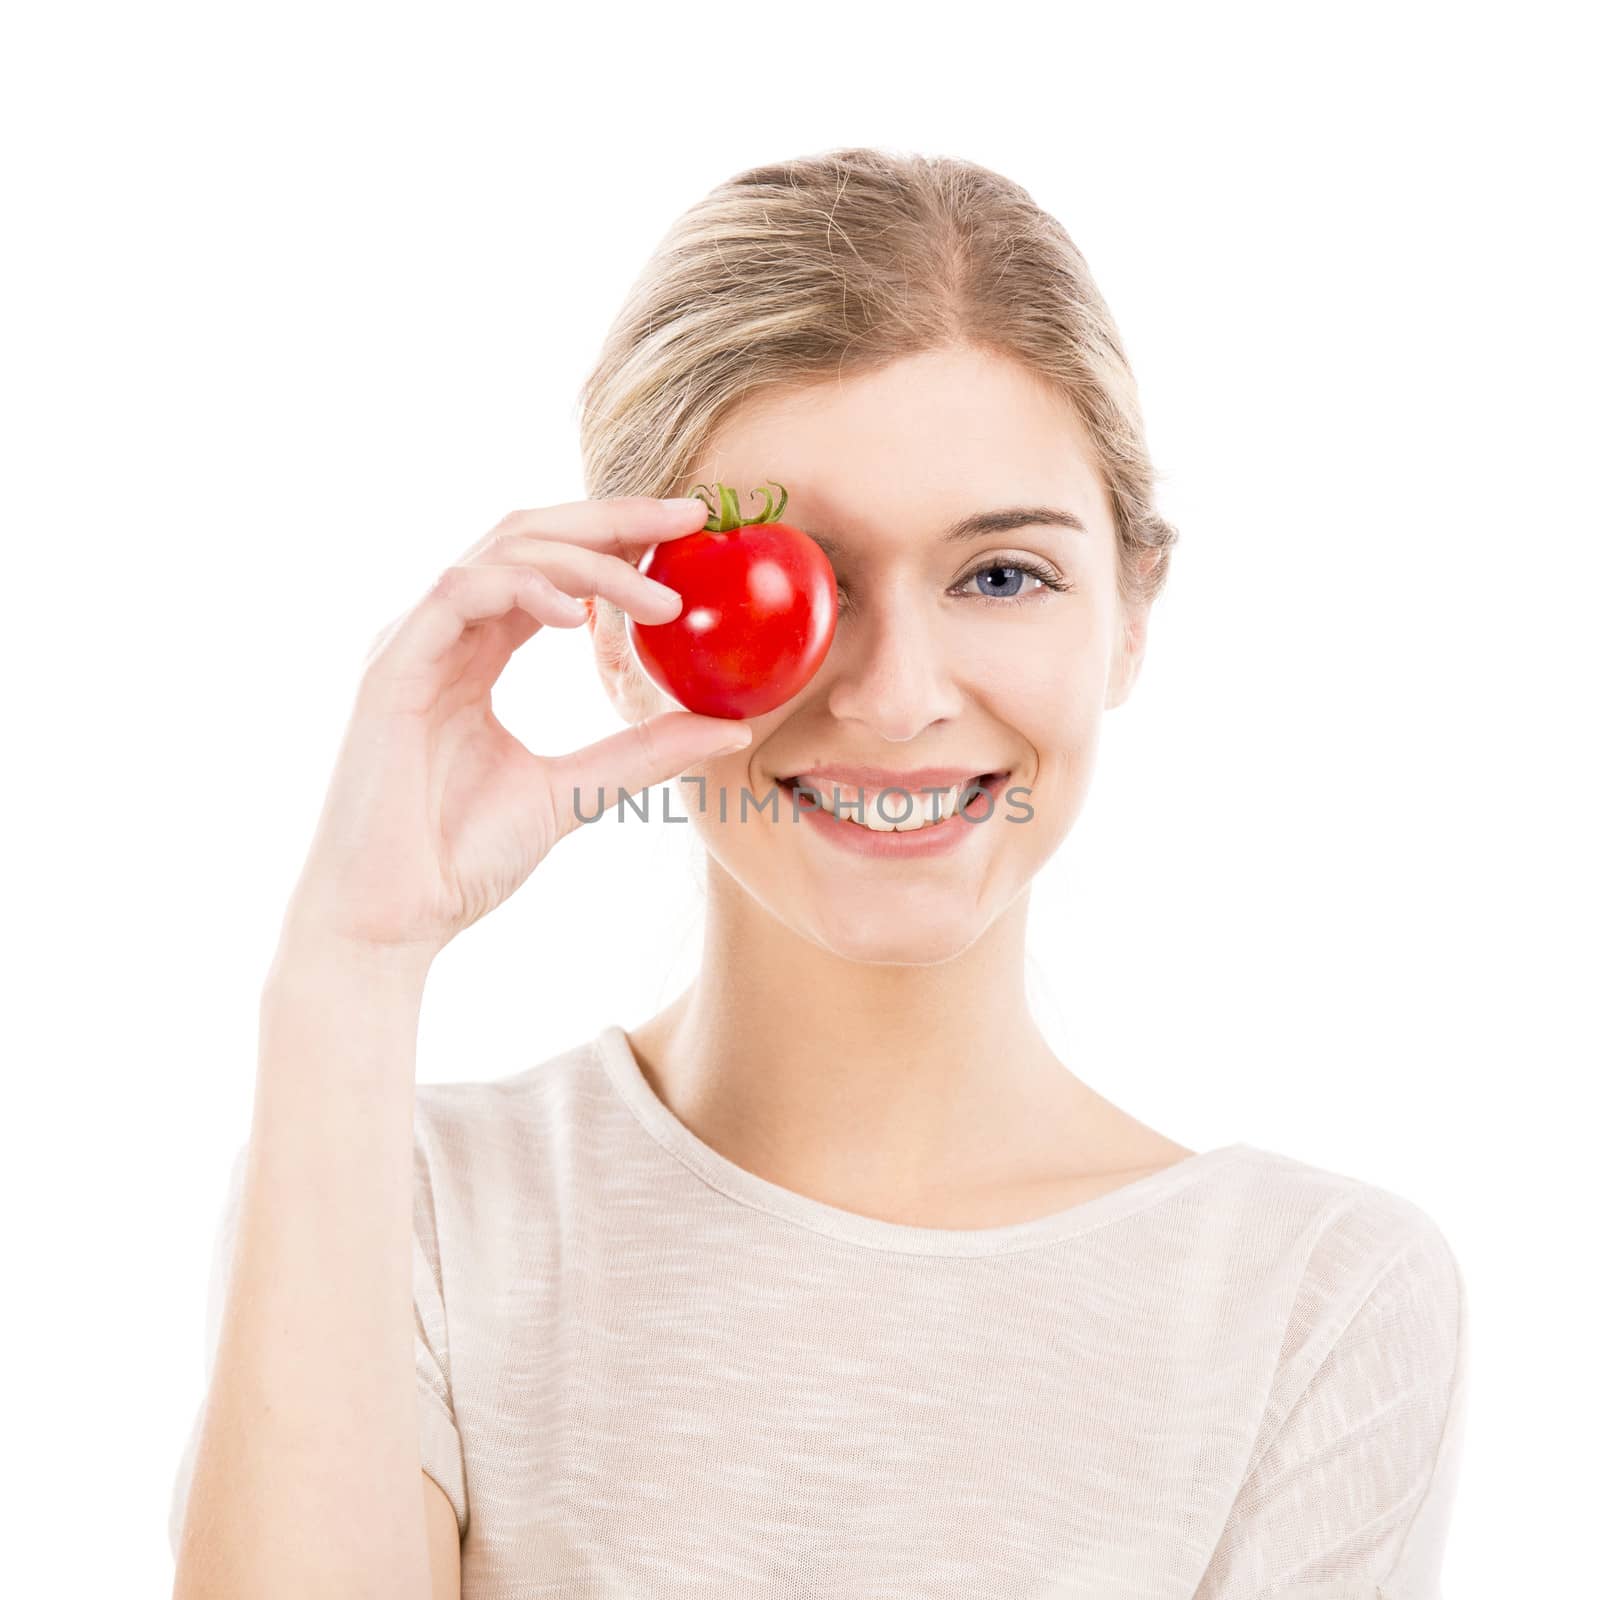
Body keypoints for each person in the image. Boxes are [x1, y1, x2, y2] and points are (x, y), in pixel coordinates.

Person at [167, 146, 1468, 1599]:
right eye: (800, 581)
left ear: (1129, 618)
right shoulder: (406, 1210)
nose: (897, 694)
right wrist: (352, 960)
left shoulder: (1313, 1304)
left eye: (1003, 576)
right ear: (619, 631)